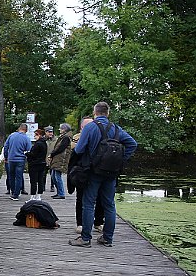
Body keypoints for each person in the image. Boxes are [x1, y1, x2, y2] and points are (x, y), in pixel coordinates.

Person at [69, 102, 137, 247]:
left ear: (95, 113)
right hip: (111, 173)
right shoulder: (116, 128)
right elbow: (132, 144)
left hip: (93, 171)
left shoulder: (90, 127)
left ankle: (86, 238)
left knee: (88, 203)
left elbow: (79, 150)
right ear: (108, 113)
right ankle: (107, 238)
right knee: (109, 205)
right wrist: (121, 161)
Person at [68, 117, 104, 233]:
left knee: (100, 198)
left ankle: (98, 222)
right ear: (82, 127)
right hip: (82, 171)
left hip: (98, 171)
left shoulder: (100, 136)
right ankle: (80, 224)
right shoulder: (76, 139)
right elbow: (74, 153)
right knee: (81, 198)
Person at [3, 123, 32, 201]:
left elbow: (5, 147)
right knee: (19, 177)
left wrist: (6, 157)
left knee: (11, 176)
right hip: (20, 160)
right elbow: (29, 150)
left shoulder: (11, 136)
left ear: (19, 128)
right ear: (26, 130)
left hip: (11, 159)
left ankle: (12, 192)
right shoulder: (26, 138)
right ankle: (16, 194)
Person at [47, 123, 73, 199]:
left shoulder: (66, 138)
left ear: (64, 129)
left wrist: (52, 154)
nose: (59, 130)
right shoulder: (64, 137)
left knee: (57, 176)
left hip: (61, 159)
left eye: (61, 128)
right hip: (58, 158)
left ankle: (61, 193)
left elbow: (60, 148)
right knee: (53, 176)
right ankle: (59, 192)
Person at [26, 128, 47, 201]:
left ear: (39, 135)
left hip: (34, 165)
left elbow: (33, 154)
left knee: (33, 181)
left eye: (36, 135)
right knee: (40, 180)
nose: (34, 137)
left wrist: (26, 153)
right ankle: (39, 196)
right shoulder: (44, 143)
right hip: (42, 164)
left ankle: (32, 197)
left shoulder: (37, 144)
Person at [44, 126, 57, 192]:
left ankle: (52, 186)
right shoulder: (43, 140)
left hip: (52, 159)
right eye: (49, 132)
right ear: (46, 132)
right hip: (44, 158)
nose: (50, 134)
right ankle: (43, 186)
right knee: (43, 174)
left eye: (51, 132)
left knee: (53, 174)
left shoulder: (56, 140)